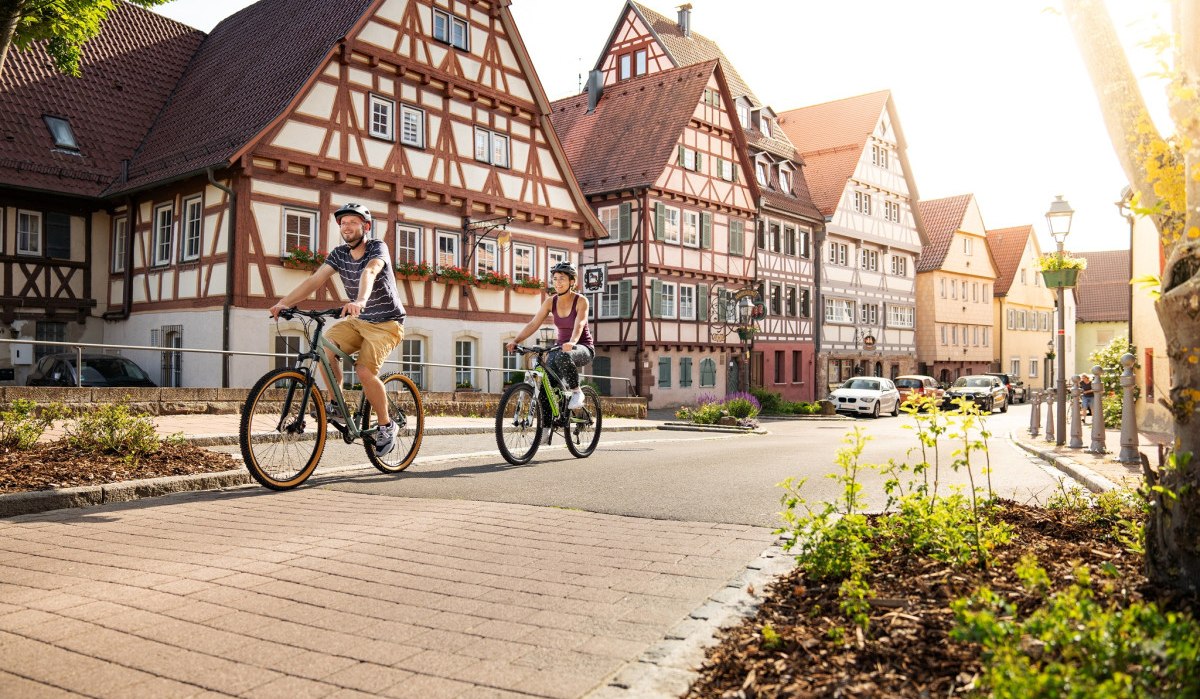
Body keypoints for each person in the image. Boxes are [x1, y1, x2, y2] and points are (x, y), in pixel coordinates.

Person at [268, 203, 405, 456]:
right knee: (324, 348)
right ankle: (337, 404)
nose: (347, 227)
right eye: (343, 223)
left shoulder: (377, 247)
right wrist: (284, 303)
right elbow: (315, 280)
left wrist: (361, 301)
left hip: (387, 323)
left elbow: (371, 271)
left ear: (366, 226)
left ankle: (387, 425)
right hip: (358, 321)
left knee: (364, 370)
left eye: (353, 222)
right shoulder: (339, 254)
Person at [507, 261, 594, 419]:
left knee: (563, 356)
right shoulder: (550, 301)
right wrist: (516, 341)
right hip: (560, 348)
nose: (557, 282)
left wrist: (573, 342)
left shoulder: (581, 301)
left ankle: (576, 392)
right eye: (555, 279)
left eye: (562, 278)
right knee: (545, 385)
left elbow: (580, 323)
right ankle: (548, 427)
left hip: (582, 347)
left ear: (571, 281)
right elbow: (534, 323)